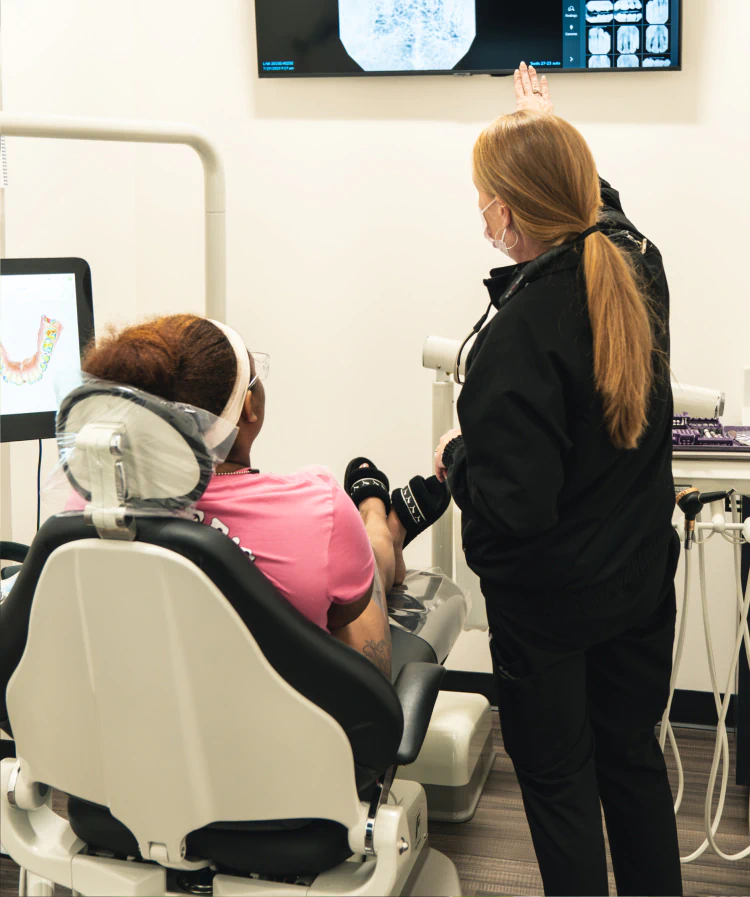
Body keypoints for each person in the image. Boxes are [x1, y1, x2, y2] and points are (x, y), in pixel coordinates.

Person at [434, 65, 682, 896]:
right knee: (632, 763)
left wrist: (457, 458)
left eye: (483, 201)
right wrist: (544, 127)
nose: (481, 214)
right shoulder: (638, 268)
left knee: (559, 787)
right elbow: (597, 210)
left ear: (507, 214)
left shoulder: (517, 339)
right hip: (637, 587)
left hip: (550, 617)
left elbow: (515, 511)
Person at [78, 314, 449, 679]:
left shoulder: (95, 510)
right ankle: (379, 521)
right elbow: (351, 626)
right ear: (248, 407)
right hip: (294, 717)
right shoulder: (318, 508)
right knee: (363, 577)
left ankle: (379, 532)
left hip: (150, 706)